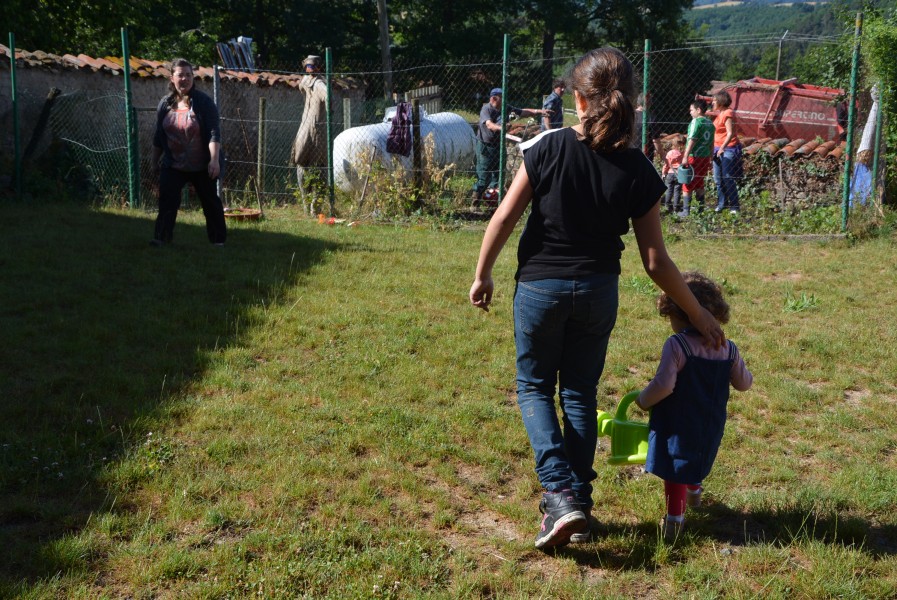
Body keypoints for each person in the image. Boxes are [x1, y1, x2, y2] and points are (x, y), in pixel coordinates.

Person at [468, 47, 726, 550]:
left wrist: (483, 274)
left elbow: (503, 217)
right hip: (597, 293)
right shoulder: (638, 168)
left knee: (534, 387)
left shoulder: (546, 147)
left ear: (579, 100)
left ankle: (559, 494)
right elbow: (656, 261)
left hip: (539, 289)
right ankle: (579, 504)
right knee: (579, 393)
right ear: (627, 100)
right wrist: (696, 313)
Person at [635, 272, 752, 540]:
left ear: (678, 314)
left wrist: (643, 400)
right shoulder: (728, 348)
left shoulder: (677, 345)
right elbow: (744, 384)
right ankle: (695, 494)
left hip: (676, 423)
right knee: (697, 455)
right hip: (709, 421)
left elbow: (664, 385)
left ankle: (674, 521)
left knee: (675, 469)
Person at [151, 58, 226, 247]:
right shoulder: (165, 104)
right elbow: (159, 136)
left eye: (188, 75)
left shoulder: (204, 103)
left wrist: (214, 160)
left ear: (193, 77)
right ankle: (161, 238)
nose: (184, 79)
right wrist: (154, 161)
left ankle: (218, 241)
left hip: (202, 164)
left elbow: (213, 133)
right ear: (172, 78)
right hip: (173, 164)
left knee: (210, 202)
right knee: (167, 200)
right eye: (180, 75)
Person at [472, 88, 550, 206]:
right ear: (494, 98)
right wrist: (502, 128)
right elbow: (489, 125)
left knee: (498, 176)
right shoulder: (486, 109)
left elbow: (522, 112)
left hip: (498, 145)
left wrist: (539, 111)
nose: (505, 100)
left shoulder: (505, 108)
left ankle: (491, 204)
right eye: (502, 97)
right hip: (486, 146)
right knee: (484, 176)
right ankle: (475, 202)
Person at [290, 55, 328, 211]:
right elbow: (329, 97)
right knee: (320, 167)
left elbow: (301, 86)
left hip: (304, 130)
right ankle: (314, 205)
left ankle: (308, 204)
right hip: (316, 131)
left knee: (303, 163)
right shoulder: (318, 84)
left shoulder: (306, 81)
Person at [678, 99, 715, 217]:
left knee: (686, 182)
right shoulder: (710, 123)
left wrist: (685, 156)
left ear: (698, 110)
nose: (690, 112)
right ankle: (700, 210)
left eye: (691, 110)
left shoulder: (696, 122)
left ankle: (686, 211)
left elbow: (692, 139)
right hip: (705, 156)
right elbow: (712, 142)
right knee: (699, 182)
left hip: (694, 156)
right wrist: (711, 158)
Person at [711, 91, 743, 213]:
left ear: (721, 101)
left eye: (714, 100)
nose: (712, 103)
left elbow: (730, 133)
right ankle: (722, 204)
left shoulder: (728, 113)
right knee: (718, 179)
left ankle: (734, 206)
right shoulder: (720, 113)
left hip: (728, 149)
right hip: (717, 149)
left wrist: (722, 148)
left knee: (727, 177)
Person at [661, 135, 685, 213]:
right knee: (677, 191)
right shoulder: (683, 153)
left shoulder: (670, 153)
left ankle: (667, 206)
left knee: (669, 190)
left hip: (670, 173)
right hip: (679, 174)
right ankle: (676, 207)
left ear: (673, 143)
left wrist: (664, 172)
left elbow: (666, 164)